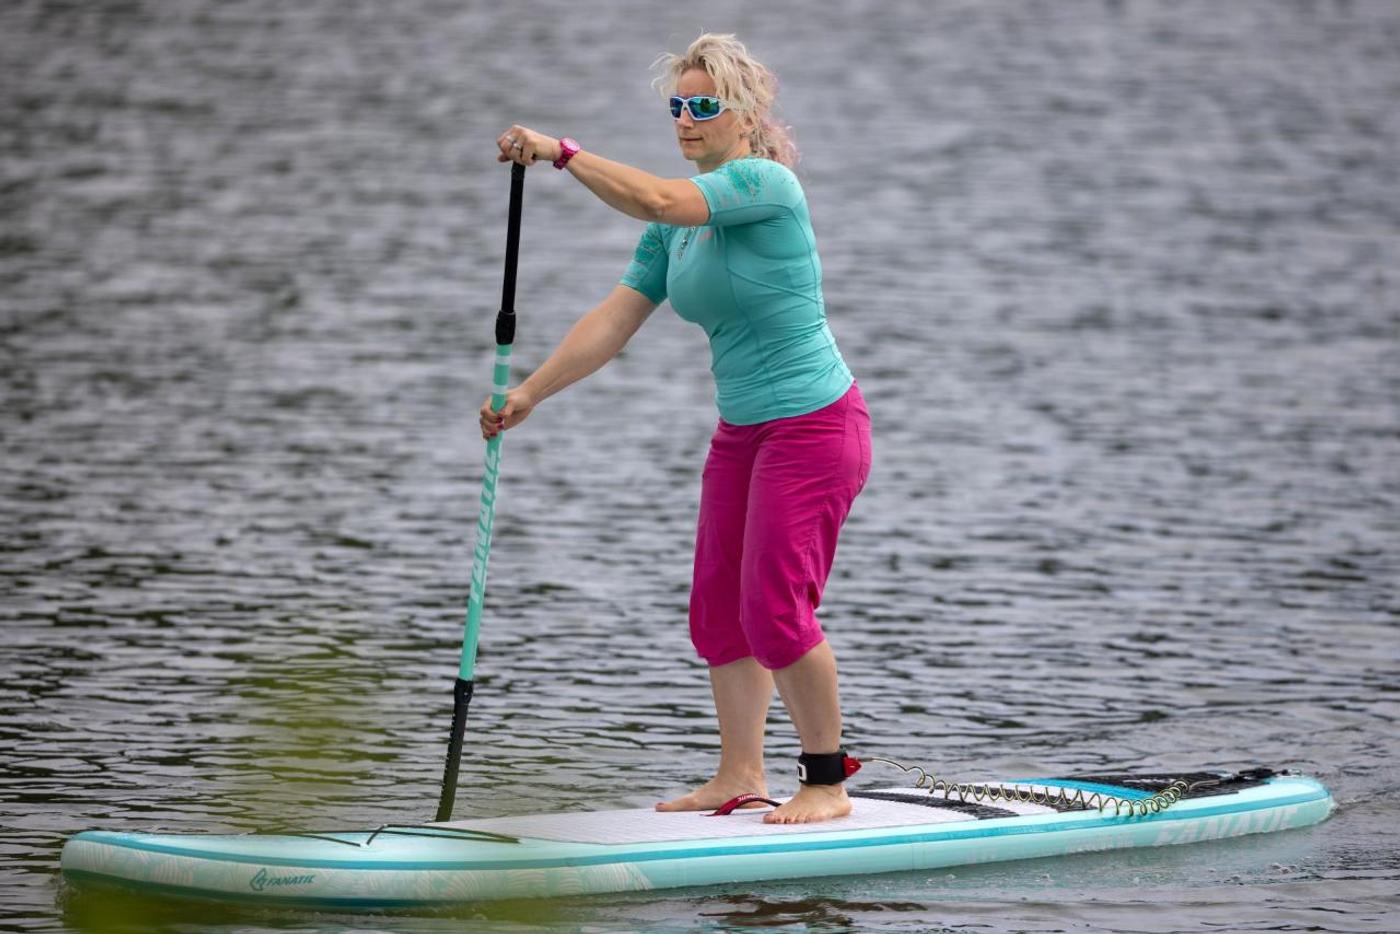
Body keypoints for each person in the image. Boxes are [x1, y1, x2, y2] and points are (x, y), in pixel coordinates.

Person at [482, 33, 871, 824]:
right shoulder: (675, 230)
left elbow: (658, 198)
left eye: (703, 106)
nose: (686, 120)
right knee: (717, 611)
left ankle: (827, 781)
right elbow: (617, 316)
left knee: (775, 610)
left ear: (746, 115)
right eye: (677, 106)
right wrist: (532, 393)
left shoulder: (764, 184)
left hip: (813, 427)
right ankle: (739, 775)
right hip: (742, 433)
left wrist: (563, 154)